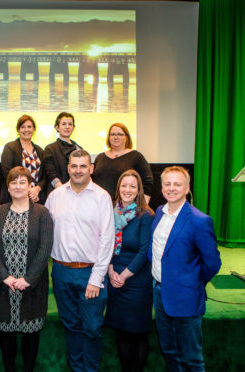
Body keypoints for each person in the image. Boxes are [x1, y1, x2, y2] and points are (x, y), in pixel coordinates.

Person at [45, 149, 115, 372]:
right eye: (74, 166)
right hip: (61, 272)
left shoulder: (102, 197)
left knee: (92, 328)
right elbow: (45, 232)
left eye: (83, 166)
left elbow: (107, 239)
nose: (78, 170)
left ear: (91, 168)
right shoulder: (55, 196)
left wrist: (96, 278)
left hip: (90, 273)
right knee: (71, 326)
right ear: (68, 168)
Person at [148, 166, 221, 371]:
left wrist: (191, 284)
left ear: (187, 188)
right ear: (162, 188)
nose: (172, 188)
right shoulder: (159, 213)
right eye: (167, 184)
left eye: (177, 184)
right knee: (169, 351)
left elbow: (212, 263)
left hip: (186, 297)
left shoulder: (200, 220)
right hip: (159, 293)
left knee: (191, 357)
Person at [0, 166, 54, 372]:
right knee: (6, 335)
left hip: (31, 287)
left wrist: (28, 279)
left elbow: (45, 247)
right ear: (7, 187)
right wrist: (4, 276)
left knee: (31, 336)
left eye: (22, 182)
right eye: (13, 182)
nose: (18, 186)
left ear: (30, 186)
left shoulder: (42, 213)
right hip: (4, 287)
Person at [105, 170, 154, 372]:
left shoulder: (146, 215)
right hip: (114, 278)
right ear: (118, 188)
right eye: (124, 185)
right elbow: (106, 244)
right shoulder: (111, 212)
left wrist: (123, 275)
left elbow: (144, 251)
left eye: (132, 186)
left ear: (139, 190)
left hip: (137, 281)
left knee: (138, 333)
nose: (127, 190)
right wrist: (110, 272)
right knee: (122, 332)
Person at [92, 123, 153, 203]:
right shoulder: (100, 157)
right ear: (108, 137)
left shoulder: (136, 156)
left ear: (126, 137)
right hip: (99, 205)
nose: (116, 137)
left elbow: (148, 182)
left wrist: (143, 206)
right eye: (112, 134)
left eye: (120, 134)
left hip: (124, 209)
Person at [0, 115, 46, 204]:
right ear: (18, 130)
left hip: (35, 197)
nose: (26, 130)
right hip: (15, 196)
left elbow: (44, 175)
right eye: (23, 127)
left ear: (34, 129)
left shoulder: (40, 150)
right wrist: (27, 191)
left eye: (29, 127)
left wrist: (37, 188)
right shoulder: (10, 147)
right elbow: (7, 173)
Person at [42, 112, 82, 196]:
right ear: (57, 127)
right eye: (64, 124)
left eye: (70, 124)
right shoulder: (50, 149)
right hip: (58, 193)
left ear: (73, 127)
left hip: (77, 193)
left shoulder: (79, 149)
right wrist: (63, 192)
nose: (67, 127)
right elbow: (51, 175)